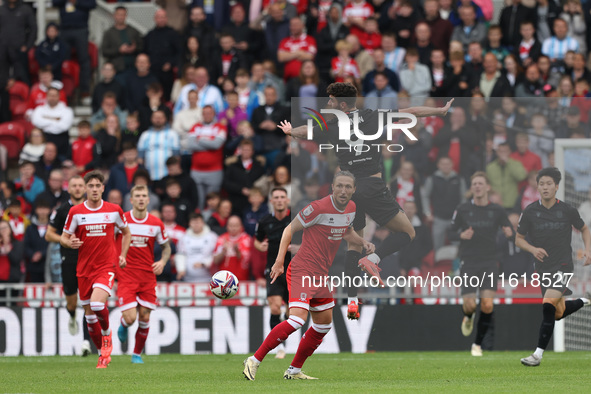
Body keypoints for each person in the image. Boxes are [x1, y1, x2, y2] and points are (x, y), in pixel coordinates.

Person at [278, 82, 453, 319]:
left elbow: (305, 131)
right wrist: (439, 111)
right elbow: (410, 113)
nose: (328, 104)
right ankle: (374, 259)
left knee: (354, 245)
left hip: (348, 191)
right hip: (373, 186)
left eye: (330, 101)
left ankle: (352, 301)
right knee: (407, 233)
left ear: (341, 104)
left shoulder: (331, 124)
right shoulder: (373, 116)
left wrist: (290, 131)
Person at [243, 171, 374, 380]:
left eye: (348, 187)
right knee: (296, 320)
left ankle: (294, 370)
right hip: (302, 269)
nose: (343, 190)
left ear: (354, 190)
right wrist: (278, 262)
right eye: (339, 186)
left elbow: (346, 232)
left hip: (321, 274)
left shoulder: (351, 208)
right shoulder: (317, 208)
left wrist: (362, 242)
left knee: (323, 325)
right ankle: (254, 360)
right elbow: (288, 230)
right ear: (332, 187)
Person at [517, 168, 591, 366]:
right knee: (557, 313)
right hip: (543, 268)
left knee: (548, 304)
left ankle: (537, 355)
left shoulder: (567, 210)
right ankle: (584, 300)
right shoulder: (530, 211)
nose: (545, 187)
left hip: (564, 265)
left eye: (549, 183)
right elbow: (519, 239)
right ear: (538, 187)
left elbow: (584, 228)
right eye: (541, 184)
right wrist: (533, 250)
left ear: (556, 187)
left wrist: (588, 250)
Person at [60, 171, 131, 368]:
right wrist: (69, 242)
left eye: (97, 185)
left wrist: (123, 254)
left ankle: (107, 334)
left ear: (103, 188)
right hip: (84, 269)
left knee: (98, 305)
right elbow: (64, 237)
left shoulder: (114, 210)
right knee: (90, 318)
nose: (93, 189)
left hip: (106, 267)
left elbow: (126, 232)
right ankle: (102, 354)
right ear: (84, 188)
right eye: (90, 186)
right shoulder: (75, 212)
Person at [450, 172, 514, 356]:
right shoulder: (462, 209)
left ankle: (477, 344)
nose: (477, 186)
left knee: (487, 305)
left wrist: (510, 234)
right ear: (472, 188)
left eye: (480, 183)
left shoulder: (497, 210)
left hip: (489, 262)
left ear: (487, 187)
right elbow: (451, 232)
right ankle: (468, 316)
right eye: (474, 183)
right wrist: (461, 235)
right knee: (470, 305)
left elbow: (510, 232)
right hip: (469, 261)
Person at [116, 185, 170, 364]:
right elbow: (108, 241)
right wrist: (118, 258)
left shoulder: (156, 223)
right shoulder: (121, 220)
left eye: (144, 196)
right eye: (137, 196)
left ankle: (136, 354)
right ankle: (124, 325)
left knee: (145, 316)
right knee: (131, 318)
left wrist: (162, 261)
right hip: (126, 274)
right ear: (131, 200)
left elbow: (166, 247)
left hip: (147, 276)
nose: (140, 199)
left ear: (148, 200)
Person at [45, 175, 92, 355]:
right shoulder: (62, 210)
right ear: (69, 189)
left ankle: (86, 341)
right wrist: (65, 240)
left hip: (89, 261)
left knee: (88, 303)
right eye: (75, 185)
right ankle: (72, 315)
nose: (79, 188)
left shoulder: (92, 209)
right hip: (69, 260)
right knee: (72, 303)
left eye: (81, 185)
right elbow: (49, 235)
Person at [254, 187, 291, 359]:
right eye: (276, 197)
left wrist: (296, 248)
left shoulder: (295, 220)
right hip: (273, 270)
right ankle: (280, 347)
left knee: (292, 314)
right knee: (275, 306)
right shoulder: (264, 221)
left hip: (294, 271)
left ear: (287, 200)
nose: (279, 200)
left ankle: (285, 322)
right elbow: (257, 240)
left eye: (282, 197)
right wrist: (259, 246)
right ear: (271, 201)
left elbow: (308, 242)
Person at [52, 0, 96, 103]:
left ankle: (85, 92)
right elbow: (54, 3)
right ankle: (64, 91)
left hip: (81, 29)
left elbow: (92, 4)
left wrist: (76, 2)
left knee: (84, 60)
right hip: (64, 29)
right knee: (63, 62)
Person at [31, 87, 73, 159]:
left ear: (59, 96)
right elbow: (36, 122)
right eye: (50, 95)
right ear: (46, 96)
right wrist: (56, 120)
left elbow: (64, 126)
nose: (52, 98)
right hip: (43, 141)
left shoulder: (67, 110)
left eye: (54, 95)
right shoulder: (39, 109)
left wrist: (45, 120)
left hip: (62, 143)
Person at [101, 6, 143, 78]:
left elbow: (141, 47)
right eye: (118, 14)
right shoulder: (109, 33)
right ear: (114, 16)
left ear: (126, 16)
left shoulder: (133, 31)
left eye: (123, 15)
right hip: (116, 71)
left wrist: (134, 48)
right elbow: (104, 52)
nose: (120, 17)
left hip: (133, 70)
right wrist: (119, 50)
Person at [175, 213, 217, 282]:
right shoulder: (184, 238)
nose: (196, 225)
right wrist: (181, 269)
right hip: (188, 279)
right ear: (189, 224)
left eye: (198, 222)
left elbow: (216, 255)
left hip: (209, 278)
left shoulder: (212, 237)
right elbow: (181, 255)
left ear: (203, 223)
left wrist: (204, 263)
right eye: (193, 222)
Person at [212, 216, 251, 281]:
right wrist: (223, 251)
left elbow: (246, 261)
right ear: (227, 226)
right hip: (223, 280)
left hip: (241, 279)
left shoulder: (246, 239)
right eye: (231, 225)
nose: (233, 228)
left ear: (241, 227)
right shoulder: (221, 239)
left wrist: (237, 250)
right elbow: (215, 261)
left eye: (236, 226)